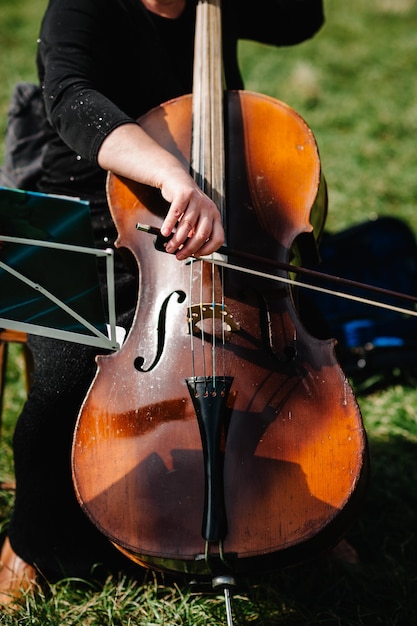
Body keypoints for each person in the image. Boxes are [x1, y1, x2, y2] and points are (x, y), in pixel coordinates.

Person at [0, 0, 325, 607]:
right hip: (98, 217)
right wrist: (175, 178)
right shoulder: (83, 7)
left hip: (218, 226)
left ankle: (319, 518)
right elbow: (71, 96)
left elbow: (300, 19)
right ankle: (33, 537)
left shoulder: (214, 5)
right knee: (65, 375)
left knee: (305, 333)